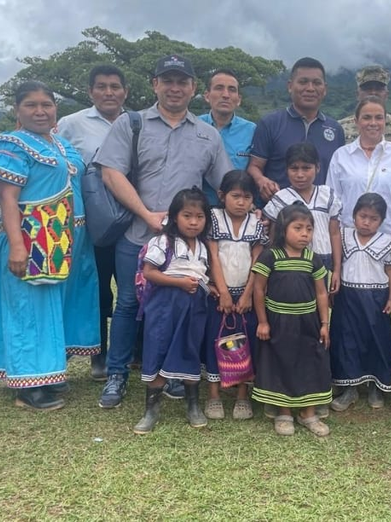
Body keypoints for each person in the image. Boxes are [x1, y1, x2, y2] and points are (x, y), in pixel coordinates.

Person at [92, 54, 232, 409]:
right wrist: (146, 214)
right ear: (154, 84)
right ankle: (116, 375)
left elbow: (225, 184)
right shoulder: (131, 123)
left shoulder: (207, 135)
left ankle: (172, 374)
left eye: (181, 81)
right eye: (167, 80)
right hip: (137, 234)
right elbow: (111, 172)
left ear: (193, 88)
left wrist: (253, 204)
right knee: (127, 303)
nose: (174, 87)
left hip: (184, 245)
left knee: (179, 307)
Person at [0, 81, 89, 411]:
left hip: (57, 241)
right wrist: (17, 245)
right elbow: (8, 198)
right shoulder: (13, 146)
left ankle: (46, 373)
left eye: (47, 104)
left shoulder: (57, 143)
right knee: (28, 310)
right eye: (31, 105)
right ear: (17, 110)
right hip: (31, 239)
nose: (40, 111)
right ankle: (28, 385)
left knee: (48, 308)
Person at [57, 64, 129, 381]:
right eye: (101, 86)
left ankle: (131, 351)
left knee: (133, 289)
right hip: (93, 223)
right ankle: (98, 355)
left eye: (115, 86)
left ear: (125, 91)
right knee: (98, 290)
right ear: (90, 91)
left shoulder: (137, 122)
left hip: (131, 218)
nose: (109, 92)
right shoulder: (71, 124)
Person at [133, 188, 213, 434]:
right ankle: (151, 410)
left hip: (194, 308)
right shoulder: (162, 242)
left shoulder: (202, 246)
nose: (193, 222)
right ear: (175, 216)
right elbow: (149, 273)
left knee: (189, 350)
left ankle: (193, 406)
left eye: (199, 217)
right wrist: (179, 282)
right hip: (164, 308)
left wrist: (211, 287)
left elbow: (202, 276)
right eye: (187, 215)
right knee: (158, 350)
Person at [252, 203, 333, 437]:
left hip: (308, 322)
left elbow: (321, 292)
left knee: (310, 364)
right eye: (298, 228)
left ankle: (308, 413)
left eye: (309, 228)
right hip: (278, 322)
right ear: (283, 229)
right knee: (281, 363)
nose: (304, 233)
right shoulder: (270, 256)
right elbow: (259, 290)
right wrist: (263, 322)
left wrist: (324, 324)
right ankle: (284, 412)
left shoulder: (313, 259)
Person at [202, 170, 266, 420]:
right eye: (235, 196)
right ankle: (214, 394)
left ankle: (242, 395)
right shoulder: (213, 219)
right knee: (216, 339)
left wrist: (248, 294)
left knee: (244, 341)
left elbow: (257, 260)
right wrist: (224, 293)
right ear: (222, 195)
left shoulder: (255, 224)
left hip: (245, 294)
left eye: (247, 197)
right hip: (219, 292)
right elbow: (214, 257)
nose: (241, 202)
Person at [329, 193, 391, 411]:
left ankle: (375, 385)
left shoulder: (387, 241)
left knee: (376, 339)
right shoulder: (344, 235)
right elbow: (336, 262)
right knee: (347, 340)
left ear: (382, 220)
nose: (366, 222)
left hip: (376, 298)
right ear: (354, 215)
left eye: (373, 218)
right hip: (348, 296)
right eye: (362, 216)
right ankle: (350, 387)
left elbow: (390, 270)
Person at [248, 57, 344, 203]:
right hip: (278, 214)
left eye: (316, 83)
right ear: (290, 86)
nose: (310, 88)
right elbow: (254, 166)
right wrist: (262, 181)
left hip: (322, 215)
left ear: (325, 89)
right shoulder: (270, 123)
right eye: (303, 82)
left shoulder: (335, 130)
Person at [326, 96, 391, 237]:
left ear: (385, 121)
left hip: (389, 239)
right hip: (348, 239)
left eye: (379, 118)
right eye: (367, 117)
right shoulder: (341, 156)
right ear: (356, 121)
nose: (373, 123)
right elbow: (333, 201)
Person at [263, 142, 342, 282]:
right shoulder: (281, 198)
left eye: (306, 168)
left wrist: (336, 270)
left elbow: (334, 233)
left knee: (323, 301)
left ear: (317, 168)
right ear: (286, 169)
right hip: (290, 262)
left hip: (324, 259)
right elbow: (273, 238)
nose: (300, 174)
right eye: (294, 168)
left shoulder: (327, 195)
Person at [199, 69, 256, 205]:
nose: (225, 95)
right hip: (198, 212)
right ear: (207, 96)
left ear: (239, 99)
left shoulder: (253, 131)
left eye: (232, 90)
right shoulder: (193, 126)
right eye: (219, 88)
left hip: (238, 212)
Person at [338, 65, 391, 150]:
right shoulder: (340, 128)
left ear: (386, 94)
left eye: (379, 89)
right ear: (357, 94)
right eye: (367, 88)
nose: (373, 92)